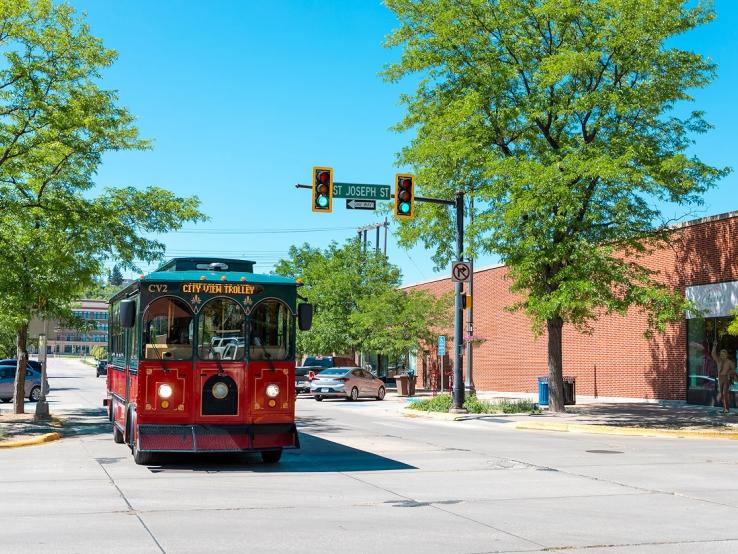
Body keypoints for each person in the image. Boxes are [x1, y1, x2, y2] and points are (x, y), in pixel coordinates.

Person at [711, 340, 737, 414]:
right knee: (721, 394)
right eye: (721, 354)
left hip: (726, 378)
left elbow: (734, 370)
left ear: (726, 355)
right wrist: (714, 346)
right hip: (720, 378)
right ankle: (724, 408)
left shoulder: (729, 362)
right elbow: (713, 354)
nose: (722, 356)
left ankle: (727, 409)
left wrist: (729, 373)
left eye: (723, 354)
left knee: (725, 393)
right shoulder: (718, 360)